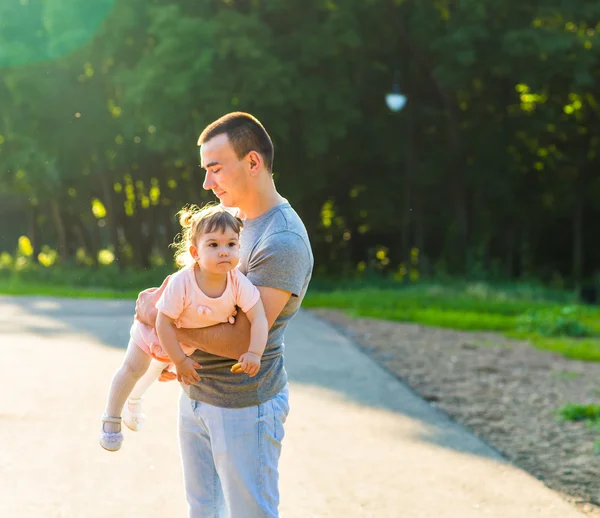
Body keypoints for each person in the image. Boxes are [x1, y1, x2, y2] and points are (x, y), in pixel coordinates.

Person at [135, 112, 313, 518]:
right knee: (204, 512)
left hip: (244, 408)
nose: (206, 183)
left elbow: (240, 341)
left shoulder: (281, 240)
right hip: (198, 397)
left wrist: (166, 322)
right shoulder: (234, 221)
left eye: (215, 169)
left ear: (252, 163)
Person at [100, 204, 268, 452]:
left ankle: (134, 401)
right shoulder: (184, 281)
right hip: (155, 331)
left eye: (231, 244)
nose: (224, 252)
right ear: (195, 252)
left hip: (183, 342)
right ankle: (111, 418)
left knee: (154, 371)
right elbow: (163, 322)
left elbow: (259, 318)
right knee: (135, 368)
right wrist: (178, 360)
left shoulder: (237, 283)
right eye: (213, 245)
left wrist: (255, 352)